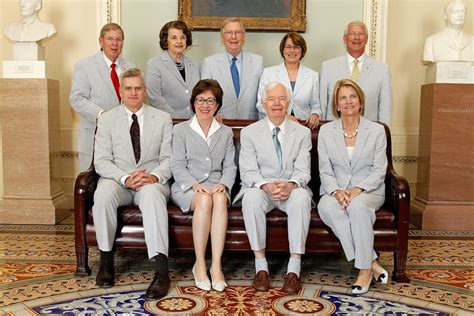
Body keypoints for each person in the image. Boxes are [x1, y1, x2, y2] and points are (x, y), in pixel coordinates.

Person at [92, 68, 172, 299]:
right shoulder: (107, 119)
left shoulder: (162, 118)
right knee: (103, 194)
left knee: (154, 197)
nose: (133, 93)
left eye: (138, 88)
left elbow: (169, 159)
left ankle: (161, 272)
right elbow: (102, 161)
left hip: (151, 180)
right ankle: (106, 262)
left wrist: (154, 177)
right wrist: (125, 178)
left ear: (145, 91)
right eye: (129, 88)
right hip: (118, 180)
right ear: (121, 91)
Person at [234, 82, 313, 294]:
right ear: (263, 103)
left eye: (281, 99)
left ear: (289, 102)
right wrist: (267, 185)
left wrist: (290, 185)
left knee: (302, 198)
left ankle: (293, 269)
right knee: (250, 197)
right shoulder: (250, 132)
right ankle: (261, 267)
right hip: (263, 189)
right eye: (271, 99)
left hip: (291, 189)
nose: (276, 103)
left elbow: (303, 171)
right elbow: (248, 171)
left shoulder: (302, 133)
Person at [317, 79, 389, 295]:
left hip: (369, 191)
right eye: (342, 98)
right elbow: (325, 170)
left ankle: (364, 270)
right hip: (335, 189)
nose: (348, 101)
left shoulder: (377, 130)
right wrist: (338, 191)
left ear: (360, 102)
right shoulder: (326, 131)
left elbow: (379, 170)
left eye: (352, 96)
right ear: (337, 105)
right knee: (327, 207)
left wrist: (357, 189)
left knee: (357, 208)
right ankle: (372, 262)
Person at [171, 79, 237, 292]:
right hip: (187, 187)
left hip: (216, 185)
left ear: (217, 104)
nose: (205, 105)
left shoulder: (225, 132)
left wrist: (224, 185)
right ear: (193, 102)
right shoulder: (181, 130)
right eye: (200, 100)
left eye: (211, 100)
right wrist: (193, 184)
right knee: (204, 200)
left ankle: (216, 265)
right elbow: (177, 164)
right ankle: (199, 264)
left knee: (217, 198)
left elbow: (230, 167)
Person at [70, 23, 135, 171]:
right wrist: (102, 115)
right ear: (101, 41)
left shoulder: (131, 67)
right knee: (89, 186)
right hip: (94, 137)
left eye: (119, 39)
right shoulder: (85, 65)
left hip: (124, 140)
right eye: (110, 39)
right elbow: (77, 99)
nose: (114, 43)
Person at [319, 21, 392, 126]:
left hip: (369, 133)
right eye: (352, 33)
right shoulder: (328, 67)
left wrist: (384, 133)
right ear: (345, 39)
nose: (357, 37)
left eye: (361, 34)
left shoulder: (382, 69)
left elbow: (386, 108)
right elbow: (322, 105)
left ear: (366, 39)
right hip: (334, 132)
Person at [201, 17, 263, 120]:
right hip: (220, 124)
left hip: (250, 124)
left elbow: (263, 97)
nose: (233, 37)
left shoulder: (257, 62)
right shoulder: (209, 63)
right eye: (229, 32)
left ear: (244, 37)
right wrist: (212, 114)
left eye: (238, 32)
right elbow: (204, 96)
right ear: (222, 38)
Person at [257, 32, 321, 129]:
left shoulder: (312, 75)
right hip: (275, 126)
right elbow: (261, 104)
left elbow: (315, 105)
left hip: (303, 127)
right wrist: (284, 117)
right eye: (288, 47)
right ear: (282, 50)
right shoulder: (268, 73)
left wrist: (315, 114)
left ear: (302, 50)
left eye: (296, 47)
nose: (292, 50)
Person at [146, 20, 200, 118]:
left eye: (182, 37)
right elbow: (154, 97)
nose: (179, 41)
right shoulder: (155, 64)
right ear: (166, 41)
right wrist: (175, 118)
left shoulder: (194, 64)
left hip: (193, 122)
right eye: (174, 38)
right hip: (167, 121)